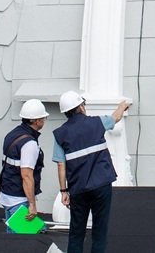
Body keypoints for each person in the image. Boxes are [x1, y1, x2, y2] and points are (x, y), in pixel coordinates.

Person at [53, 92, 132, 253]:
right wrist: (122, 106)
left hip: (78, 189)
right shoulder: (97, 123)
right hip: (101, 185)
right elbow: (115, 118)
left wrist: (63, 191)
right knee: (99, 230)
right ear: (81, 107)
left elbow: (61, 165)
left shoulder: (60, 134)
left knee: (76, 232)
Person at [0, 98, 49, 229]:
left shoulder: (12, 134)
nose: (44, 121)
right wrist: (32, 205)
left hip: (7, 194)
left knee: (16, 236)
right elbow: (26, 176)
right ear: (37, 121)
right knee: (21, 242)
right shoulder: (29, 143)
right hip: (19, 199)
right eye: (43, 118)